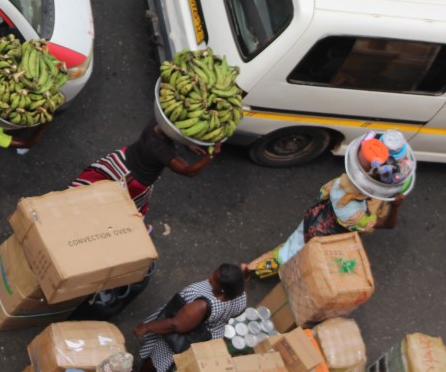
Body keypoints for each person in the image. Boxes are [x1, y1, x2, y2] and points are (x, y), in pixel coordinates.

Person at [245, 135, 410, 279]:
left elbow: (322, 193)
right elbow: (387, 225)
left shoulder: (341, 182)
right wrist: (395, 206)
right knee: (288, 255)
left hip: (315, 216)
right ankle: (253, 270)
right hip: (320, 235)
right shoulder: (353, 213)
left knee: (293, 244)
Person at [71, 122, 220, 218]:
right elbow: (189, 171)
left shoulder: (155, 123)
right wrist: (210, 156)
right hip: (133, 181)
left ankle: (70, 206)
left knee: (89, 189)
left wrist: (187, 143)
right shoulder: (162, 150)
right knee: (117, 212)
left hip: (118, 161)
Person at [133, 264, 247, 372]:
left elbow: (174, 325)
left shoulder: (201, 306)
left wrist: (147, 327)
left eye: (215, 279)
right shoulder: (240, 296)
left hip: (183, 334)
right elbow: (237, 312)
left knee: (156, 360)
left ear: (223, 290)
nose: (210, 278)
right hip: (209, 333)